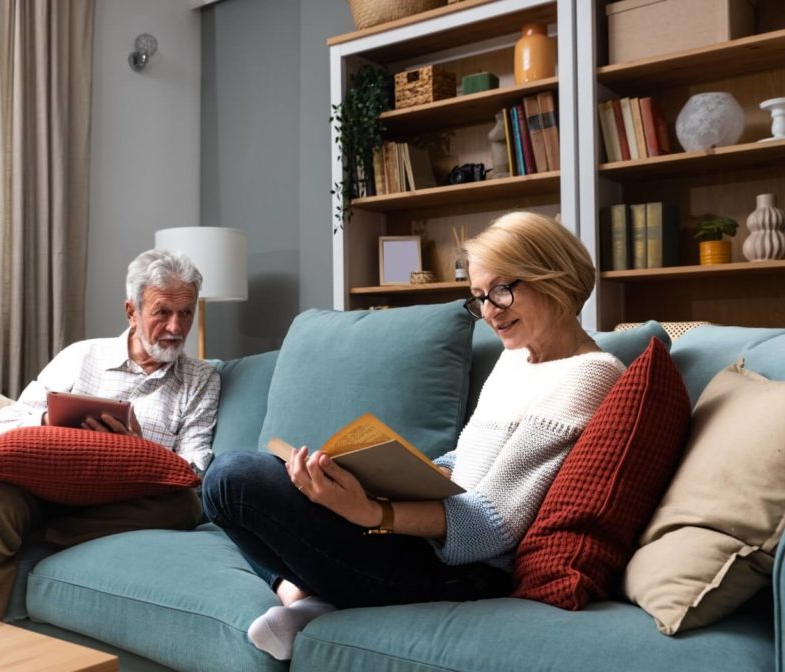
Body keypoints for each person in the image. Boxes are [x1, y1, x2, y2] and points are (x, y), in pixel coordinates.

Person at [201, 212, 626, 661]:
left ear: (554, 277)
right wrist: (381, 475)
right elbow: (468, 460)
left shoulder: (589, 375)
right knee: (254, 477)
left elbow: (493, 526)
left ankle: (305, 594)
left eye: (501, 290)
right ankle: (303, 594)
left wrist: (372, 512)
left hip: (465, 572)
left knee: (234, 480)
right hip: (420, 544)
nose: (489, 312)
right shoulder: (518, 358)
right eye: (479, 297)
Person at [0, 249, 221, 620]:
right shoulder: (81, 356)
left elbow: (195, 471)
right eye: (162, 312)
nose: (176, 327)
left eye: (186, 312)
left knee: (185, 507)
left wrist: (142, 451)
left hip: (128, 501)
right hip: (50, 488)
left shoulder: (201, 379)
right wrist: (50, 424)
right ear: (132, 311)